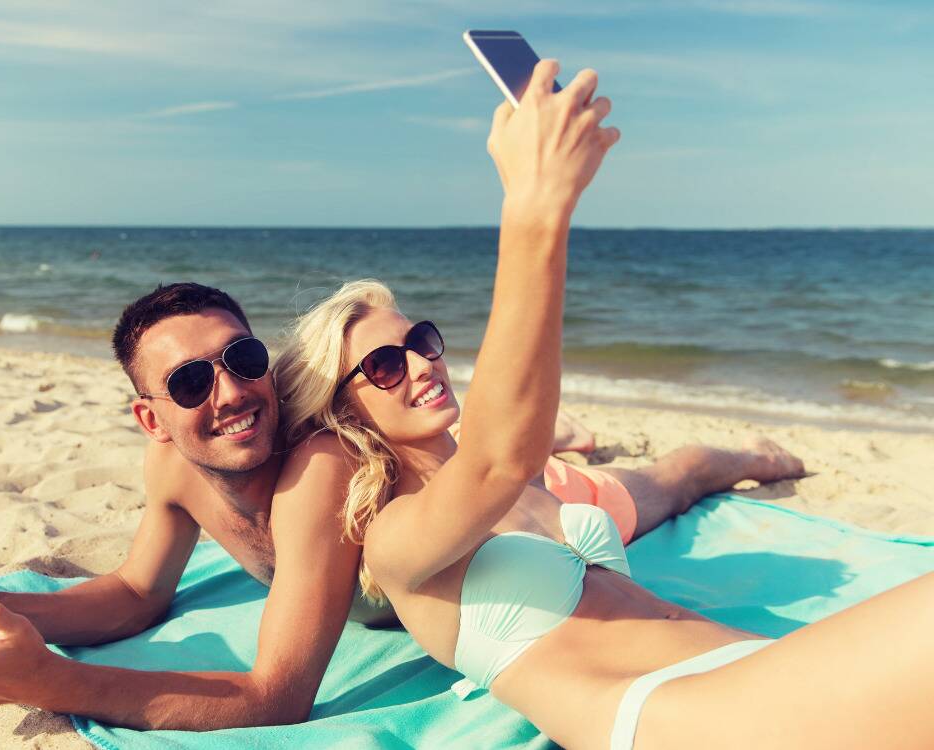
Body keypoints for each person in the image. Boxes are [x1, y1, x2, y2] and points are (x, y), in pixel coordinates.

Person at [273, 58, 933, 750]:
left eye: (423, 340)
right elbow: (500, 457)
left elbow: (519, 431)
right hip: (672, 716)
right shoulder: (397, 538)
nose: (419, 363)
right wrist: (535, 201)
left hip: (747, 668)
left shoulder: (519, 482)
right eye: (383, 365)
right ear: (344, 412)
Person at [0, 281, 626, 729]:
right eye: (192, 383)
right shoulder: (171, 468)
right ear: (152, 419)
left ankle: (733, 453)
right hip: (446, 507)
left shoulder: (318, 470)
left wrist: (46, 681)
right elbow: (134, 596)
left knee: (645, 494)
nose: (231, 395)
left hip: (500, 516)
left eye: (243, 360)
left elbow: (279, 696)